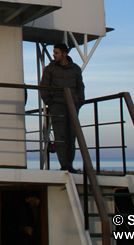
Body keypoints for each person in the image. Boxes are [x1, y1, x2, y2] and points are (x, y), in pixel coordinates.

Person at [39, 43, 84, 172]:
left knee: (71, 135)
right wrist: (50, 102)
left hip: (72, 105)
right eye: (54, 52)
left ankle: (69, 164)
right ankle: (64, 165)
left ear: (64, 54)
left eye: (56, 53)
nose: (54, 55)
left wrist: (79, 101)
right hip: (57, 106)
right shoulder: (50, 69)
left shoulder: (75, 69)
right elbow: (44, 87)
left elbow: (80, 86)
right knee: (60, 136)